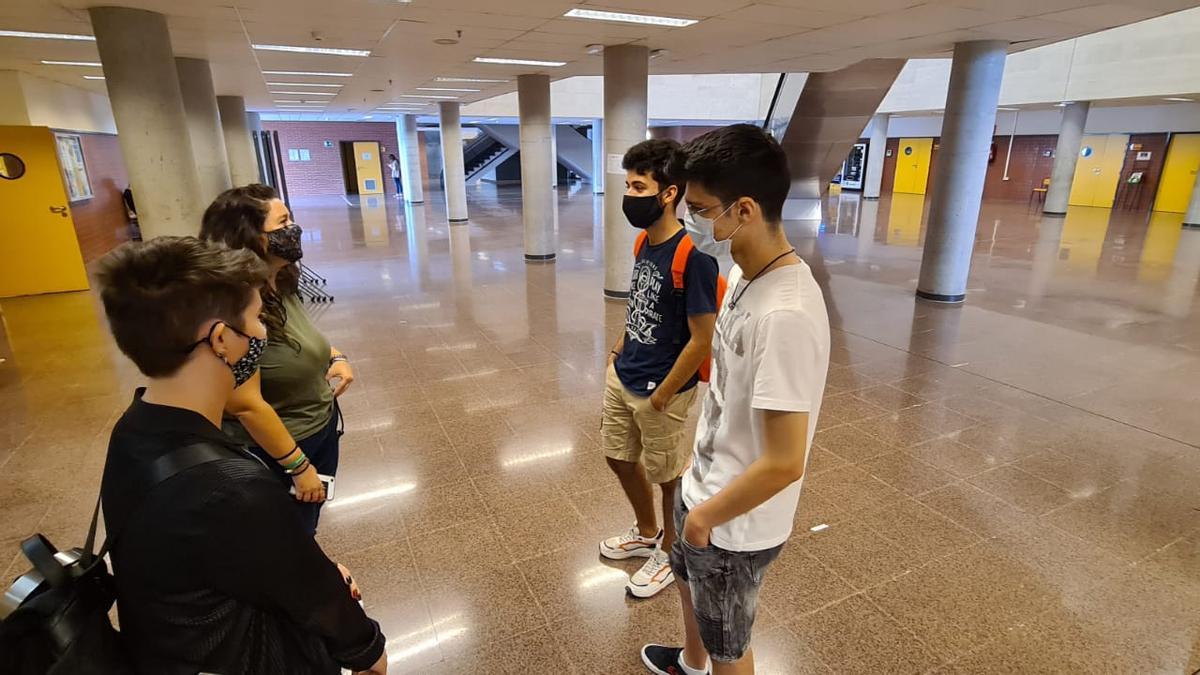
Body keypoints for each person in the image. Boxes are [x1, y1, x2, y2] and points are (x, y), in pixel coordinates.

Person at [96, 236, 386, 674]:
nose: (263, 333)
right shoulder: (229, 487)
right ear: (221, 340)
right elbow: (326, 610)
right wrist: (369, 655)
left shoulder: (135, 428)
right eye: (255, 318)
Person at [640, 125, 830, 675]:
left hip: (732, 523)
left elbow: (784, 461)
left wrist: (704, 519)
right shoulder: (745, 274)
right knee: (692, 598)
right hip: (704, 488)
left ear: (743, 209)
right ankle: (689, 664)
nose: (690, 222)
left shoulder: (786, 314)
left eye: (699, 210)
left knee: (731, 645)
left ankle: (708, 664)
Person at [599, 138, 719, 599]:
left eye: (637, 185)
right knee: (617, 456)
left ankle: (670, 550)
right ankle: (647, 530)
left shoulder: (695, 257)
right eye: (628, 184)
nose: (629, 195)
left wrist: (666, 392)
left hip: (661, 386)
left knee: (666, 474)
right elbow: (642, 301)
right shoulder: (643, 242)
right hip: (626, 370)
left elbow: (701, 338)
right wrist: (618, 346)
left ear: (668, 193)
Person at [200, 184, 354, 534]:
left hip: (318, 427)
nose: (293, 229)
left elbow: (298, 342)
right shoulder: (235, 307)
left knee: (305, 528)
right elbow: (245, 404)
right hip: (277, 452)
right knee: (285, 537)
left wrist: (335, 356)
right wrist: (298, 468)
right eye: (282, 222)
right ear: (250, 237)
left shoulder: (278, 282)